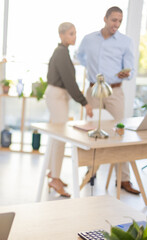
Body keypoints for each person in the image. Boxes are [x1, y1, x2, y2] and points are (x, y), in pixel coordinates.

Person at [77, 6, 140, 194]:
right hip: (94, 91)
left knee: (120, 132)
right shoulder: (88, 40)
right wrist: (91, 67)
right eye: (114, 20)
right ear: (105, 19)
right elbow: (80, 57)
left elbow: (131, 69)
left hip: (115, 92)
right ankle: (91, 172)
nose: (117, 24)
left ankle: (124, 179)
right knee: (92, 132)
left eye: (120, 21)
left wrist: (125, 73)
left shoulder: (125, 42)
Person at [45, 22, 93, 197]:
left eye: (75, 33)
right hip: (57, 96)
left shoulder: (62, 52)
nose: (74, 36)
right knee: (60, 137)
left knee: (56, 135)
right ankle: (55, 178)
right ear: (62, 35)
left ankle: (52, 172)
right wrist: (85, 102)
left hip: (56, 95)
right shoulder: (61, 53)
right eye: (71, 34)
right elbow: (70, 83)